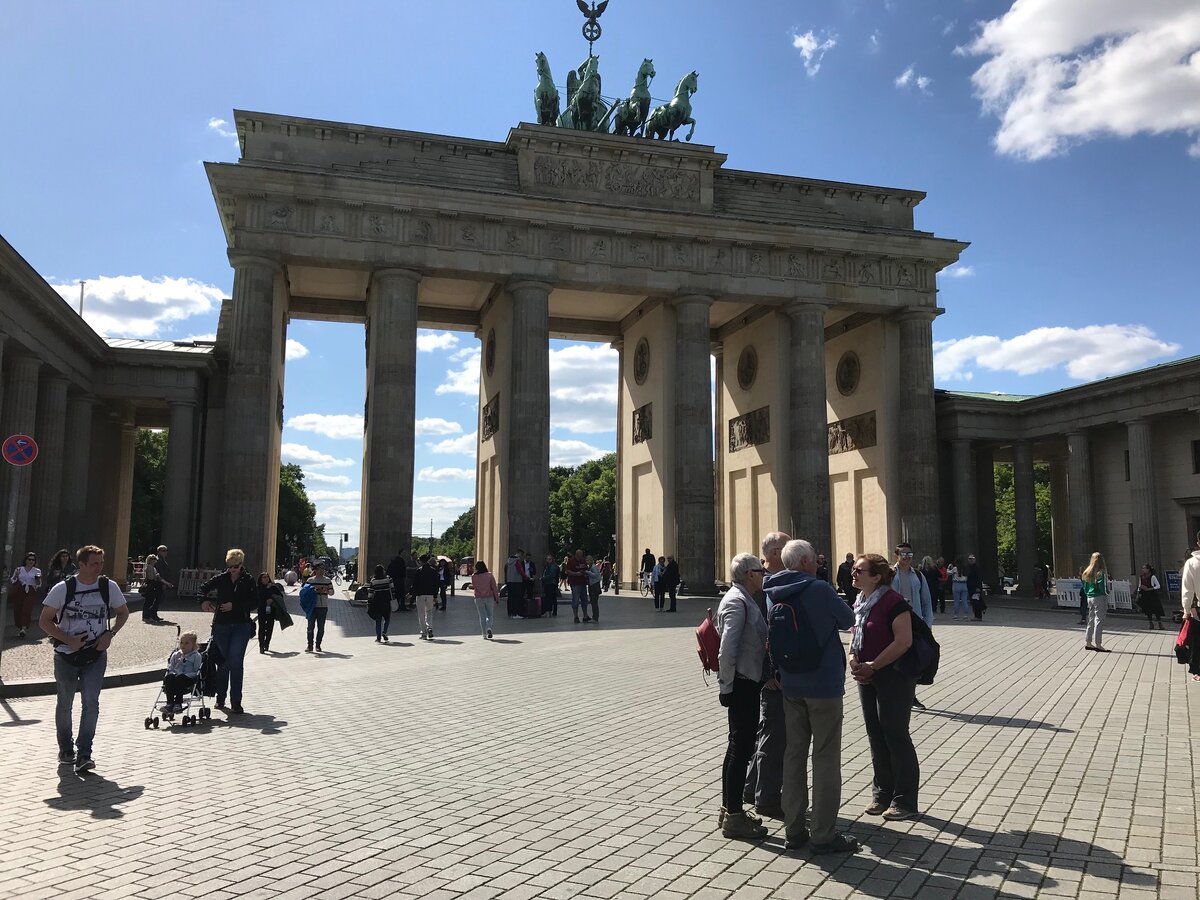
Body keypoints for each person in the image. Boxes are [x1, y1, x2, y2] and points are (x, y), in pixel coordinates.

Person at [765, 539, 859, 855]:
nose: (819, 563)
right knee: (825, 757)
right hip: (824, 686)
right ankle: (822, 834)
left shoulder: (771, 590)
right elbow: (849, 621)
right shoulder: (819, 589)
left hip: (791, 685)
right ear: (805, 561)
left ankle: (793, 830)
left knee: (794, 755)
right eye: (815, 559)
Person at [39, 545, 129, 773]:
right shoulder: (63, 589)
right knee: (65, 704)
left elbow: (123, 612)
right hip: (66, 656)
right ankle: (66, 748)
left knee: (91, 703)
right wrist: (67, 639)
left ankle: (85, 753)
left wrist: (110, 634)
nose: (99, 567)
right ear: (81, 565)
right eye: (94, 564)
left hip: (96, 654)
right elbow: (44, 621)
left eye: (101, 563)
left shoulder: (108, 587)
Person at [848, 553, 921, 820]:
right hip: (868, 676)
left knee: (895, 734)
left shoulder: (893, 602)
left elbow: (904, 641)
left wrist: (874, 665)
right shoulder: (861, 600)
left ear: (876, 577)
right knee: (875, 734)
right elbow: (856, 634)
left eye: (859, 570)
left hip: (895, 677)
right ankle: (882, 793)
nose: (853, 574)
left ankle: (905, 800)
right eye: (854, 569)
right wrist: (854, 660)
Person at [715, 552, 770, 840]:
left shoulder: (741, 599)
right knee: (741, 748)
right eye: (760, 571)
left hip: (745, 680)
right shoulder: (737, 602)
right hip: (742, 683)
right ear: (749, 574)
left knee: (737, 746)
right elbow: (727, 649)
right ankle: (734, 816)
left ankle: (730, 808)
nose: (763, 574)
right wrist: (727, 687)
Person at [743, 530, 790, 818]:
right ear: (774, 554)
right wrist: (768, 672)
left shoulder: (767, 584)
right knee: (775, 736)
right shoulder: (763, 589)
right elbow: (761, 635)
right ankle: (767, 798)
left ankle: (751, 788)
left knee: (767, 732)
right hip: (772, 677)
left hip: (771, 674)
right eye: (787, 549)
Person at [200, 549, 257, 713]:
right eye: (230, 566)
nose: (232, 569)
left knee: (236, 663)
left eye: (236, 566)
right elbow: (203, 588)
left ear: (241, 564)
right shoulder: (221, 578)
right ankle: (220, 698)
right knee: (223, 663)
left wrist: (235, 606)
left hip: (241, 625)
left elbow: (255, 601)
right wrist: (203, 601)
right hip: (221, 625)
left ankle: (236, 701)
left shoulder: (248, 580)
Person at [892, 543, 933, 709]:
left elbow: (927, 601)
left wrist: (927, 624)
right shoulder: (889, 574)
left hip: (914, 622)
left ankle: (911, 696)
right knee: (895, 659)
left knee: (913, 659)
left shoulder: (918, 575)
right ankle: (895, 693)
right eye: (903, 554)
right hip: (893, 622)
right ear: (897, 556)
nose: (907, 557)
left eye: (910, 553)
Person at [161, 630, 202, 713]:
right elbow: (171, 667)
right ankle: (170, 703)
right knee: (169, 677)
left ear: (193, 645)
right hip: (176, 676)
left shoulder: (196, 656)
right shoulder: (176, 655)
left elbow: (196, 670)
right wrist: (172, 673)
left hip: (189, 677)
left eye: (187, 643)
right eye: (181, 643)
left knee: (181, 678)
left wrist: (184, 675)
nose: (183, 645)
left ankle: (178, 702)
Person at [1081, 551, 1112, 652]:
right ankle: (1098, 643)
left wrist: (1088, 593)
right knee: (1099, 620)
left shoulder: (1087, 572)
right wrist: (1106, 592)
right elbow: (1102, 587)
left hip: (1090, 597)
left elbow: (1084, 587)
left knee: (1090, 619)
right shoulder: (1101, 573)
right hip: (1099, 596)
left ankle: (1088, 642)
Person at [9, 551, 42, 639]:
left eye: (33, 560)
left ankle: (24, 628)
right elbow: (12, 580)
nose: (31, 561)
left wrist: (37, 580)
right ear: (25, 560)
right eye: (29, 559)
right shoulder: (19, 569)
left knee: (26, 609)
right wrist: (16, 576)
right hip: (20, 590)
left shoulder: (37, 571)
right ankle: (20, 627)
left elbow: (39, 584)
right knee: (18, 609)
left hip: (31, 590)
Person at [304, 560, 335, 653]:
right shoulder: (310, 580)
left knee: (321, 627)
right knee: (310, 627)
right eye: (320, 569)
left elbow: (332, 592)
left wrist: (326, 591)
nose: (322, 571)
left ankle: (318, 645)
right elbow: (304, 592)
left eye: (323, 569)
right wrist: (314, 590)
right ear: (315, 570)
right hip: (312, 606)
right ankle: (310, 645)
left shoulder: (327, 580)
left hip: (323, 606)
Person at [1182, 531, 1200, 681]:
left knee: (1198, 639)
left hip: (1199, 608)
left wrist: (1186, 610)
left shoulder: (1192, 563)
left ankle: (1198, 671)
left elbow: (1187, 589)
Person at [255, 572, 286, 653]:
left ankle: (266, 644)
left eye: (267, 577)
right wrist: (265, 602)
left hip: (271, 610)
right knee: (262, 628)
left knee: (269, 628)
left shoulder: (273, 587)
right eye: (264, 577)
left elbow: (280, 596)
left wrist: (272, 598)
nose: (266, 579)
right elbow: (257, 598)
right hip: (262, 610)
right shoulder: (258, 588)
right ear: (261, 579)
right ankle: (261, 645)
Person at [412, 554, 440, 640]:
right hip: (430, 594)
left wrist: (412, 593)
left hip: (420, 595)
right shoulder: (433, 571)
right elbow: (436, 584)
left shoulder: (419, 571)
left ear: (421, 561)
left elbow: (415, 583)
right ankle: (430, 627)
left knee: (421, 614)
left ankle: (424, 632)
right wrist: (435, 595)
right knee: (429, 612)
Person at [471, 560, 500, 640]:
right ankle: (489, 628)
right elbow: (494, 587)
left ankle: (484, 634)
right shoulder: (489, 575)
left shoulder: (474, 576)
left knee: (482, 616)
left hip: (479, 598)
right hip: (489, 597)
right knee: (490, 615)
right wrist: (497, 598)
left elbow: (474, 586)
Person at [141, 553, 171, 624]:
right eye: (153, 559)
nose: (155, 560)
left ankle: (148, 616)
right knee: (148, 601)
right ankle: (146, 617)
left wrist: (166, 583)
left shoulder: (153, 568)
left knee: (151, 601)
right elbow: (151, 577)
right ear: (150, 560)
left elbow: (159, 578)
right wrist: (156, 576)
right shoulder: (149, 567)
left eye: (155, 559)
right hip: (150, 584)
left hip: (153, 585)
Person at [368, 565, 393, 642]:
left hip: (377, 602)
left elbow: (370, 593)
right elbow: (392, 590)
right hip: (386, 601)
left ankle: (378, 637)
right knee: (387, 618)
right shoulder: (388, 579)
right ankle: (384, 632)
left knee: (378, 620)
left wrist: (369, 603)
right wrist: (394, 599)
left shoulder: (373, 581)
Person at [1136, 564, 1165, 630]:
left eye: (1144, 568)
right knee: (1148, 610)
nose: (1143, 570)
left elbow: (1158, 586)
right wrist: (1138, 593)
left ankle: (1160, 623)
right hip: (1145, 594)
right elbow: (1139, 585)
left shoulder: (1152, 577)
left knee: (1156, 609)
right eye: (1142, 568)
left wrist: (1149, 589)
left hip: (1152, 594)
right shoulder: (1141, 577)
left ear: (1148, 569)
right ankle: (1150, 623)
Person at [566, 549, 590, 623]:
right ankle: (575, 616)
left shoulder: (583, 561)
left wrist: (585, 574)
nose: (581, 556)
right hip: (575, 583)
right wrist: (576, 574)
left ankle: (585, 616)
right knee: (575, 600)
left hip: (583, 583)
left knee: (584, 600)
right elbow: (567, 571)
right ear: (576, 555)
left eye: (582, 555)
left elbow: (586, 569)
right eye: (580, 555)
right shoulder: (571, 561)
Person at [504, 548, 526, 620]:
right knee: (517, 598)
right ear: (519, 554)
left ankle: (510, 613)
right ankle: (516, 613)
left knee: (510, 598)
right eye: (522, 555)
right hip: (517, 582)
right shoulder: (517, 561)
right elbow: (521, 571)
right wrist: (527, 578)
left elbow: (505, 570)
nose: (522, 557)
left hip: (509, 581)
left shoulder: (508, 561)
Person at [966, 555, 985, 621]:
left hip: (975, 588)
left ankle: (978, 616)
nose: (970, 560)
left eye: (972, 559)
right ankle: (976, 615)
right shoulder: (969, 568)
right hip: (971, 588)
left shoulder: (976, 568)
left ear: (974, 560)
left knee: (976, 602)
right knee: (973, 602)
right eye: (969, 559)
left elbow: (979, 578)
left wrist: (978, 587)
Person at [586, 554, 602, 622]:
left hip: (594, 586)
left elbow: (596, 575)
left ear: (591, 560)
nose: (587, 561)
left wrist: (588, 572)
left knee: (594, 602)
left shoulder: (593, 567)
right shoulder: (590, 567)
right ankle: (595, 616)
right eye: (586, 560)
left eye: (588, 560)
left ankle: (595, 617)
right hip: (592, 585)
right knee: (593, 602)